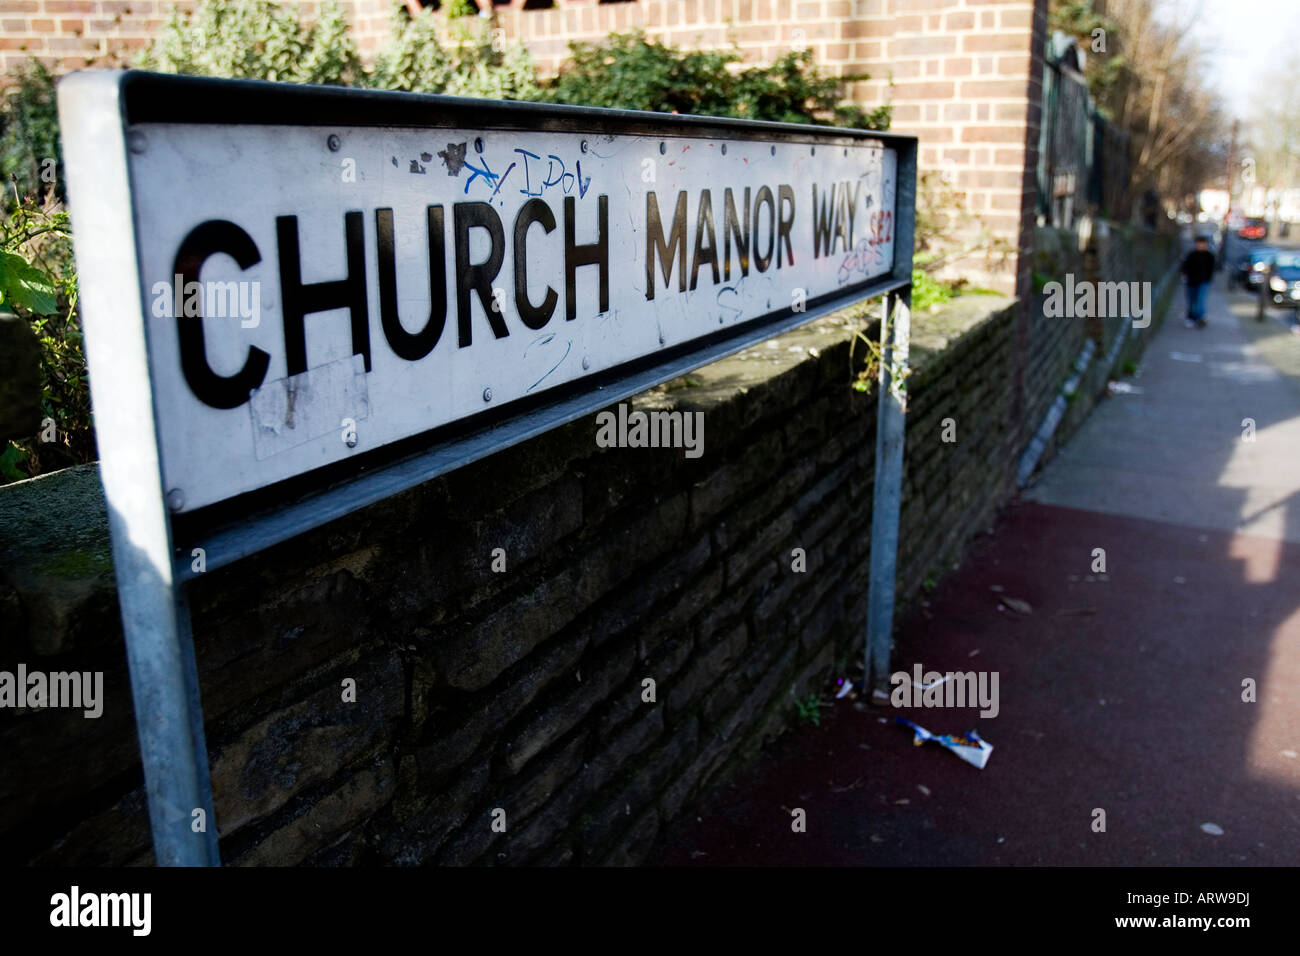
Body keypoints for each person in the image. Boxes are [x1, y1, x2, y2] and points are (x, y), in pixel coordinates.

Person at [1181, 235, 1215, 328]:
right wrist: (1185, 276)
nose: (1201, 245)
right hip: (1191, 282)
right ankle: (1191, 317)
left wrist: (1208, 279)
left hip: (1203, 281)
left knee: (1200, 300)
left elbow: (1211, 269)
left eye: (1203, 243)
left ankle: (1200, 318)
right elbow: (1185, 267)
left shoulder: (1209, 256)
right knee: (1192, 300)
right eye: (1199, 243)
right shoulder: (1191, 255)